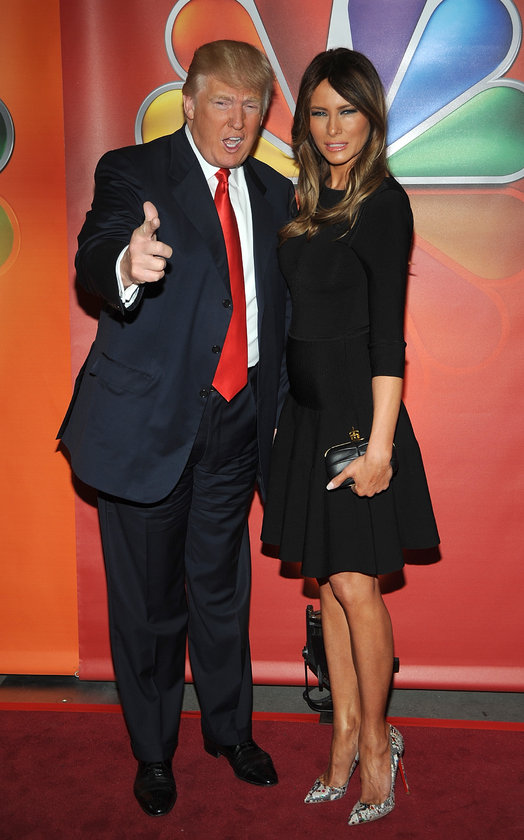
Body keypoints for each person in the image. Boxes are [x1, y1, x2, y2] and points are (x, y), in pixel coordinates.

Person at [58, 39, 294, 817]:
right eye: (222, 101)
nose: (238, 119)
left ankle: (230, 731)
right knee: (149, 604)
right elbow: (98, 252)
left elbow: (279, 315)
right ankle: (154, 751)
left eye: (252, 104)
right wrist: (126, 267)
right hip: (146, 428)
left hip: (237, 421)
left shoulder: (276, 192)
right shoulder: (133, 172)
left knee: (222, 590)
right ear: (189, 103)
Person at [261, 48, 439, 826]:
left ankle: (376, 745)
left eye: (348, 112)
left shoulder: (384, 205)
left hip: (357, 424)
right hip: (306, 420)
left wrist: (381, 450)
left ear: (372, 118)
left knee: (358, 588)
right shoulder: (307, 197)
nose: (334, 128)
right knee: (329, 587)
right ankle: (340, 737)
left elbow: (387, 342)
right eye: (319, 112)